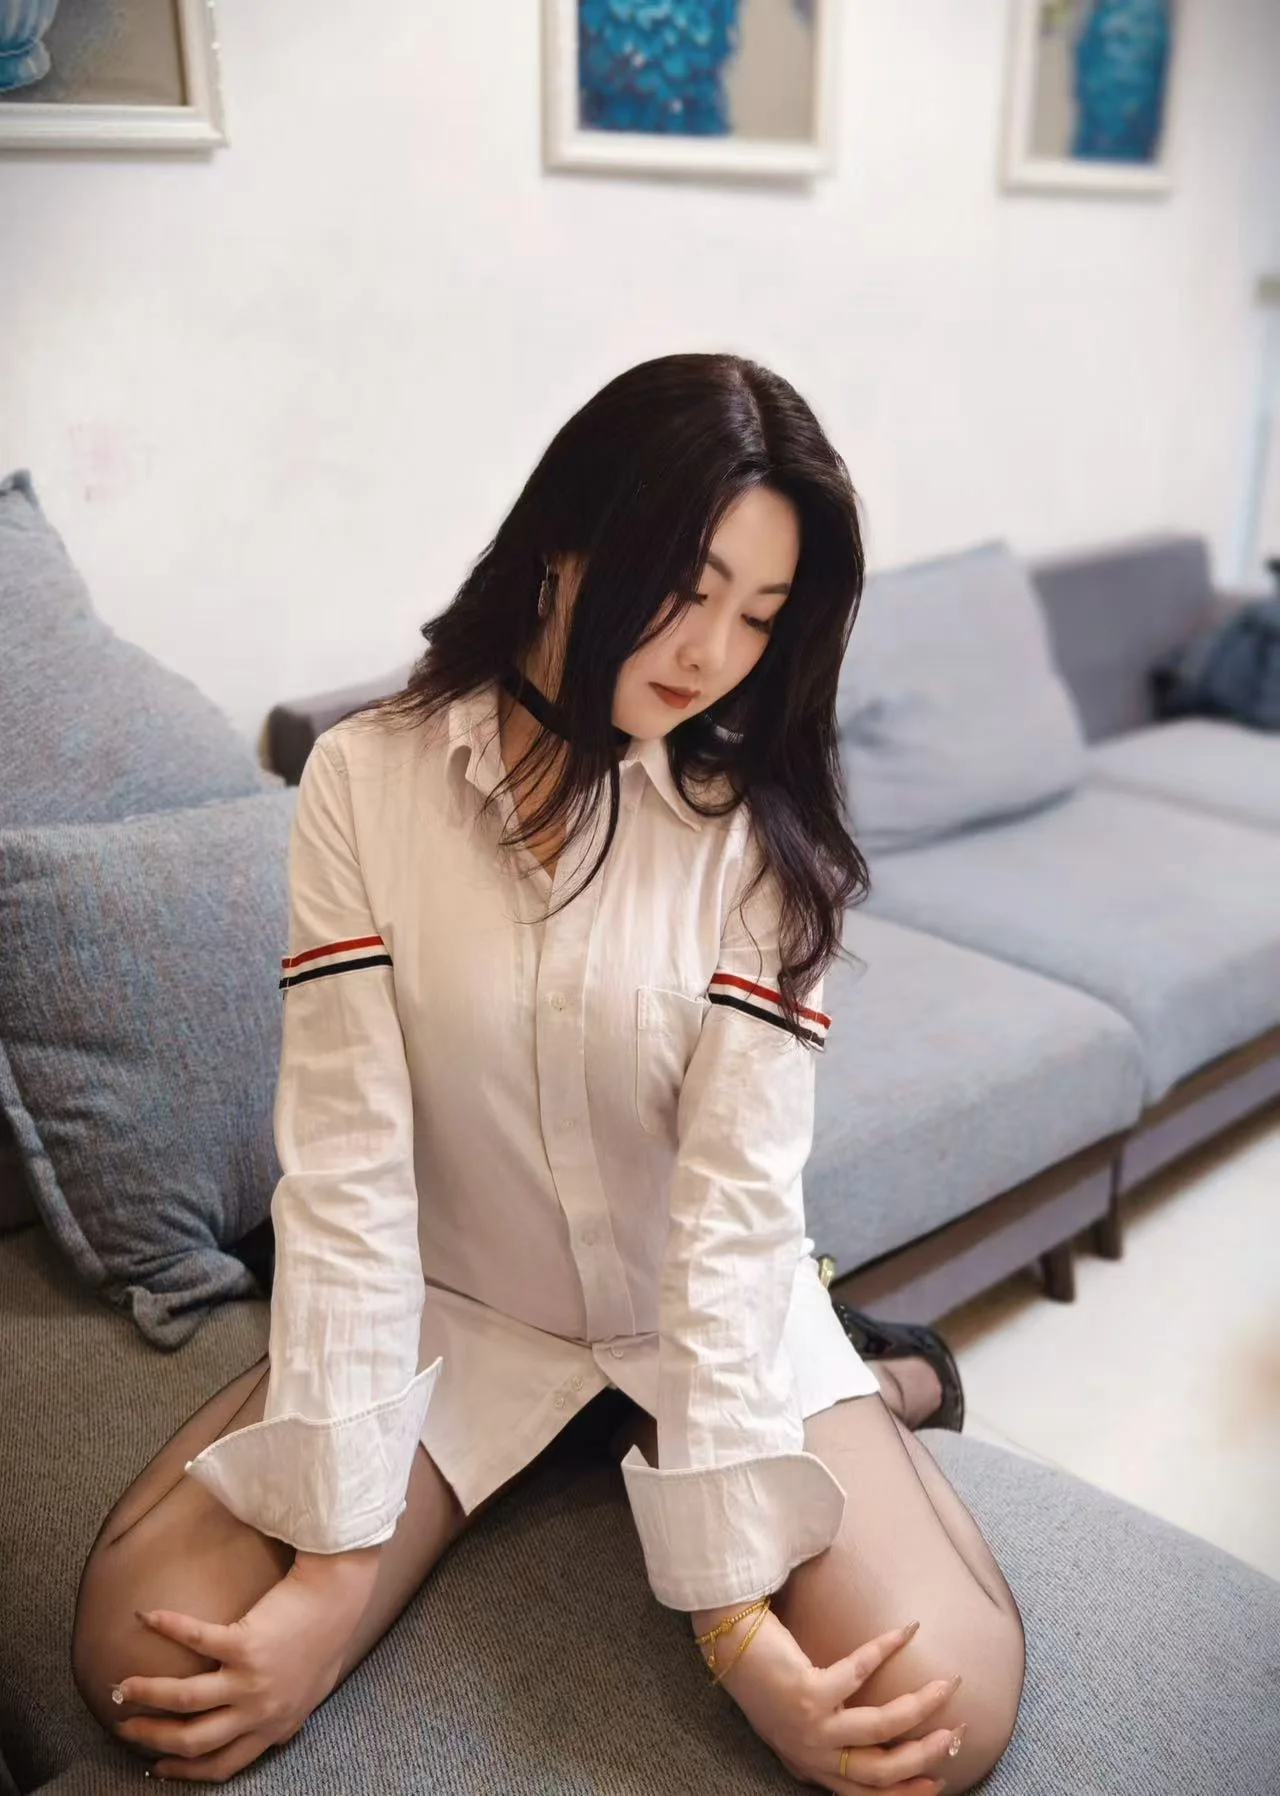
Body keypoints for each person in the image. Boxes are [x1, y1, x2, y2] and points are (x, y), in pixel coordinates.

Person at [70, 354, 1026, 1792]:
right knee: (144, 1662)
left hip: (698, 1309)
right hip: (466, 1311)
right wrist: (331, 1573)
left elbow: (727, 1224)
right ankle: (659, 1413)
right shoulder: (364, 783)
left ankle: (878, 1379)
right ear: (564, 544)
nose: (713, 652)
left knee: (932, 1722)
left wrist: (735, 1621)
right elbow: (346, 1168)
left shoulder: (762, 841)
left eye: (761, 615)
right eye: (688, 588)